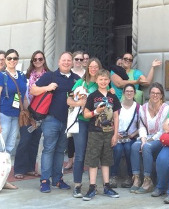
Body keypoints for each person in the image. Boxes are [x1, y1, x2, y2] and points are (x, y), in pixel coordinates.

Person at [31, 51, 80, 193]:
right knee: (48, 150)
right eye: (63, 60)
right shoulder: (50, 76)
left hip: (67, 122)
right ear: (59, 62)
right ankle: (45, 180)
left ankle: (57, 179)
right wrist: (47, 87)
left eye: (68, 60)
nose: (66, 62)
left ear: (72, 63)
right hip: (51, 119)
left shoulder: (76, 79)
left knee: (60, 152)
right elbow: (33, 90)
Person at [0, 49, 28, 193]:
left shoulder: (22, 76)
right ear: (5, 60)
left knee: (9, 148)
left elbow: (23, 97)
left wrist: (28, 112)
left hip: (16, 116)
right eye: (9, 58)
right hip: (3, 115)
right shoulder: (1, 76)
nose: (12, 61)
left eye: (15, 58)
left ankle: (3, 180)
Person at [81, 69, 121, 201]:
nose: (103, 82)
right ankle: (92, 187)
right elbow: (85, 114)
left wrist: (116, 134)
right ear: (96, 81)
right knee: (93, 160)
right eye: (101, 79)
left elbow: (116, 116)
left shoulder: (112, 96)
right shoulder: (92, 96)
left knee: (106, 160)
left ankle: (107, 186)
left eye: (105, 79)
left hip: (109, 132)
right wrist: (96, 112)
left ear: (109, 81)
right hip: (95, 132)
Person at [67, 57, 102, 198]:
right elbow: (69, 99)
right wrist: (79, 103)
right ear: (88, 68)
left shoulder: (102, 83)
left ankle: (92, 185)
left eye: (96, 67)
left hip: (97, 122)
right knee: (80, 154)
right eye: (91, 67)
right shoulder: (81, 82)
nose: (93, 69)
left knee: (94, 154)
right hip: (81, 121)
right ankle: (77, 185)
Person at [13, 50, 50, 179]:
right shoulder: (26, 76)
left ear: (44, 60)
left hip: (41, 113)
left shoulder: (49, 76)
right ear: (32, 61)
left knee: (35, 140)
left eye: (40, 59)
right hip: (28, 111)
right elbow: (20, 92)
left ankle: (29, 167)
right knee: (25, 140)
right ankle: (19, 168)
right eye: (35, 59)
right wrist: (21, 107)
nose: (38, 61)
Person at [130, 82, 169, 194]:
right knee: (134, 146)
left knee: (146, 147)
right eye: (153, 93)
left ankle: (148, 180)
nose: (155, 95)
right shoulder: (143, 107)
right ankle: (137, 178)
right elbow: (141, 126)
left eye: (158, 93)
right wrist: (143, 139)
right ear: (149, 94)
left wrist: (147, 141)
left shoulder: (165, 108)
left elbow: (163, 130)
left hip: (160, 138)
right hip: (146, 136)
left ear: (161, 95)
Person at [110, 84, 140, 189]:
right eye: (127, 91)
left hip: (131, 137)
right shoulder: (117, 106)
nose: (129, 93)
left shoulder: (138, 108)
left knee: (129, 148)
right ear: (123, 93)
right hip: (117, 136)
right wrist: (115, 133)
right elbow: (111, 121)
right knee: (117, 149)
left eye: (131, 91)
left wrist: (133, 134)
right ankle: (113, 176)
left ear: (134, 93)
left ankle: (130, 176)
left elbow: (142, 126)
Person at [65, 51, 86, 171]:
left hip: (83, 109)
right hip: (71, 107)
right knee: (70, 136)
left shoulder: (86, 74)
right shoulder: (69, 72)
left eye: (81, 59)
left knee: (80, 137)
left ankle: (81, 161)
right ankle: (70, 160)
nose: (78, 62)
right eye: (76, 59)